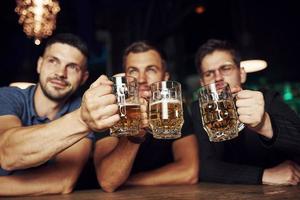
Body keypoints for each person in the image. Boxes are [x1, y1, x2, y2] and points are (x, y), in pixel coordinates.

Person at [0, 33, 119, 196]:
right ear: (39, 64)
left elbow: (62, 181)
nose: (61, 73)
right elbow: (7, 153)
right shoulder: (8, 96)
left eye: (72, 67)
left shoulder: (83, 107)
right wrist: (82, 120)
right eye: (53, 61)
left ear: (83, 77)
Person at [93, 41, 199, 192]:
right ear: (124, 77)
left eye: (151, 70)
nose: (141, 79)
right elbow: (108, 180)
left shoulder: (175, 108)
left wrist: (127, 181)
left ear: (165, 77)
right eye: (133, 71)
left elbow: (189, 171)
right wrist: (136, 132)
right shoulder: (110, 110)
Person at [192, 39, 300, 185]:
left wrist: (264, 124)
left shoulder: (267, 98)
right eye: (209, 74)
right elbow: (205, 167)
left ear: (241, 74)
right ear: (202, 84)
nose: (218, 77)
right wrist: (265, 175)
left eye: (226, 68)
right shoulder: (199, 110)